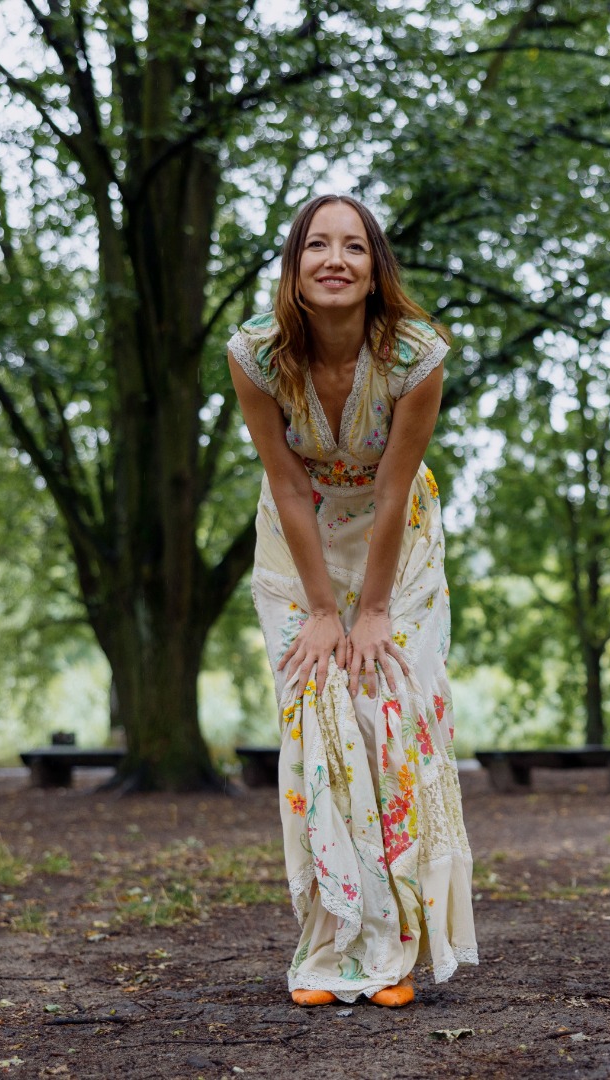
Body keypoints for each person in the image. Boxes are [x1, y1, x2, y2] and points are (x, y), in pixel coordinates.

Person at [226, 194, 477, 1008]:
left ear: (376, 271)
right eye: (317, 246)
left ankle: (393, 946)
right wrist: (322, 612)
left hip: (396, 544)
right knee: (317, 721)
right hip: (297, 543)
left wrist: (370, 612)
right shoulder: (255, 357)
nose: (335, 260)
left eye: (355, 247)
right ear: (294, 267)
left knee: (386, 716)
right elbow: (286, 484)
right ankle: (332, 945)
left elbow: (395, 488)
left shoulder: (417, 357)